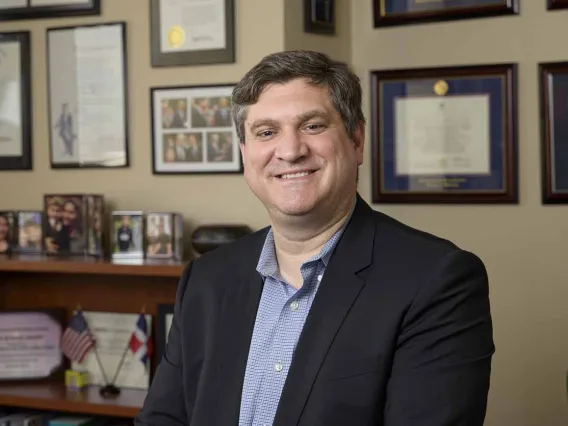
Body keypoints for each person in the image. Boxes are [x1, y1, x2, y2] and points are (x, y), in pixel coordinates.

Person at [135, 50, 494, 426]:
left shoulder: (436, 281)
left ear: (357, 140)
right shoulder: (206, 281)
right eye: (267, 132)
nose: (290, 151)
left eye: (313, 126)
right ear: (245, 153)